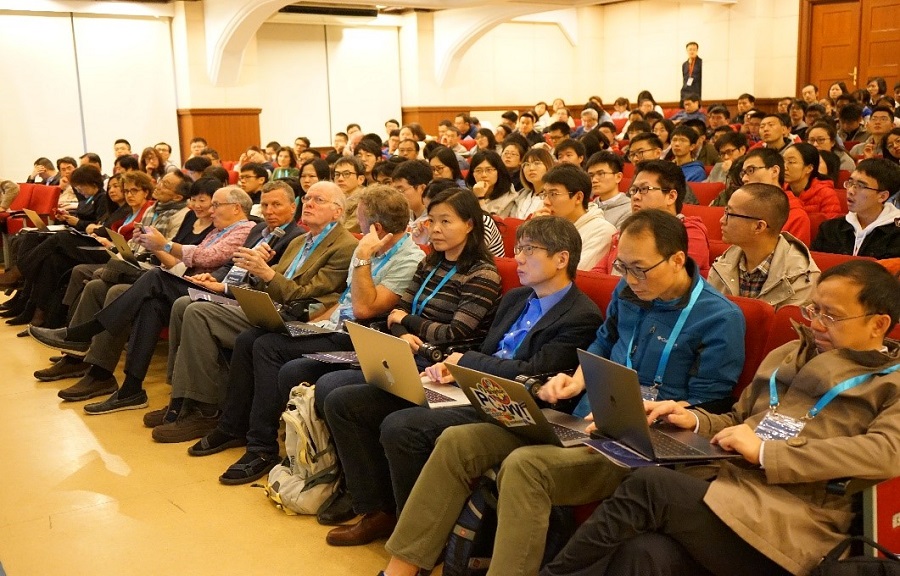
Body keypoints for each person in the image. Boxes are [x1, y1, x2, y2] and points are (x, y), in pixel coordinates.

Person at [378, 209, 746, 576]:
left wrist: (656, 412)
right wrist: (577, 381)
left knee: (525, 467)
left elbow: (710, 405)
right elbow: (602, 344)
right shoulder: (627, 292)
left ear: (678, 260)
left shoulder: (719, 318)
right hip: (580, 420)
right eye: (622, 267)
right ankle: (401, 569)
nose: (631, 279)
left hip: (637, 443)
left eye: (640, 269)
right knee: (458, 442)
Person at [542, 260, 900, 576]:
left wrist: (767, 453)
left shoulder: (890, 382)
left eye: (831, 316)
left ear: (878, 324)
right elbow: (739, 419)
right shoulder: (789, 354)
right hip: (734, 489)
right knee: (646, 552)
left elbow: (885, 451)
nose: (817, 324)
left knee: (650, 485)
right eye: (813, 310)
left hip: (794, 519)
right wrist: (693, 419)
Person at [323, 216, 600, 545]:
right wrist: (450, 368)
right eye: (518, 249)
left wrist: (465, 363)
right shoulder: (516, 298)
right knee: (345, 402)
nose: (519, 258)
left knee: (402, 426)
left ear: (562, 258)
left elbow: (533, 372)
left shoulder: (580, 315)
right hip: (469, 385)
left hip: (509, 404)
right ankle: (376, 510)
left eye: (529, 250)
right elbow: (485, 349)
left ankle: (419, 534)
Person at [146, 182, 359, 442]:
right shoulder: (300, 241)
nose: (309, 204)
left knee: (199, 313)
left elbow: (304, 294)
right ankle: (181, 399)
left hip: (298, 315)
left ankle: (204, 410)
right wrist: (244, 275)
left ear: (338, 211)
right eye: (307, 198)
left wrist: (265, 272)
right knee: (183, 304)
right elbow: (264, 281)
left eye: (319, 200)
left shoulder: (345, 246)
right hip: (267, 305)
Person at [29, 186, 256, 414]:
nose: (211, 210)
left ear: (236, 208)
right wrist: (155, 247)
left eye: (216, 205)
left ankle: (84, 333)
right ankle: (130, 388)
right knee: (147, 303)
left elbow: (207, 257)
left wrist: (164, 245)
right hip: (192, 282)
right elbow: (187, 263)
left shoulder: (245, 229)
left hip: (212, 293)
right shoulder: (217, 231)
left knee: (153, 277)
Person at [708, 183, 819, 308]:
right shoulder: (723, 263)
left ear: (759, 226)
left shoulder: (801, 277)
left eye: (730, 214)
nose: (722, 220)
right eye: (725, 211)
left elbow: (788, 321)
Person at [593, 160, 710, 277]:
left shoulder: (690, 234)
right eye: (634, 190)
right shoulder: (628, 231)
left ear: (671, 196)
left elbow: (666, 280)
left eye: (644, 189)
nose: (636, 197)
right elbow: (597, 277)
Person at [812, 158, 900, 259]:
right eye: (850, 183)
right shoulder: (830, 229)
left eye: (860, 186)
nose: (850, 191)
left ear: (882, 196)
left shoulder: (896, 234)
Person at [532, 164, 616, 270]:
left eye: (553, 194)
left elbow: (574, 272)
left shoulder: (602, 231)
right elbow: (523, 263)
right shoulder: (551, 224)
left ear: (578, 198)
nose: (546, 202)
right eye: (545, 194)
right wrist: (535, 232)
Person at [740, 147, 812, 244]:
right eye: (743, 173)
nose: (744, 178)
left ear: (774, 171)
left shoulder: (796, 217)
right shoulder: (742, 210)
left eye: (751, 170)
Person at [782, 143, 843, 219]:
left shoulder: (826, 194)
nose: (784, 167)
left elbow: (832, 224)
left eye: (791, 162)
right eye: (783, 161)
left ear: (809, 168)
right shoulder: (780, 191)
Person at [585, 151, 630, 229]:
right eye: (591, 175)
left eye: (601, 174)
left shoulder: (629, 209)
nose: (594, 180)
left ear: (618, 177)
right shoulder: (588, 207)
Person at [467, 150, 516, 216]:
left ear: (499, 171)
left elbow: (490, 222)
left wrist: (480, 198)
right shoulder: (467, 195)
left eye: (489, 170)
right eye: (478, 170)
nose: (484, 175)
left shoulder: (509, 198)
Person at [511, 148, 554, 220]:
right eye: (526, 164)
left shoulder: (553, 198)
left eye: (537, 163)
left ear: (548, 165)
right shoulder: (520, 196)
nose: (531, 168)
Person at [332, 156, 366, 232]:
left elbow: (346, 232)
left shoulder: (365, 201)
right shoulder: (332, 198)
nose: (340, 179)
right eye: (337, 174)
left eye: (346, 174)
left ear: (360, 179)